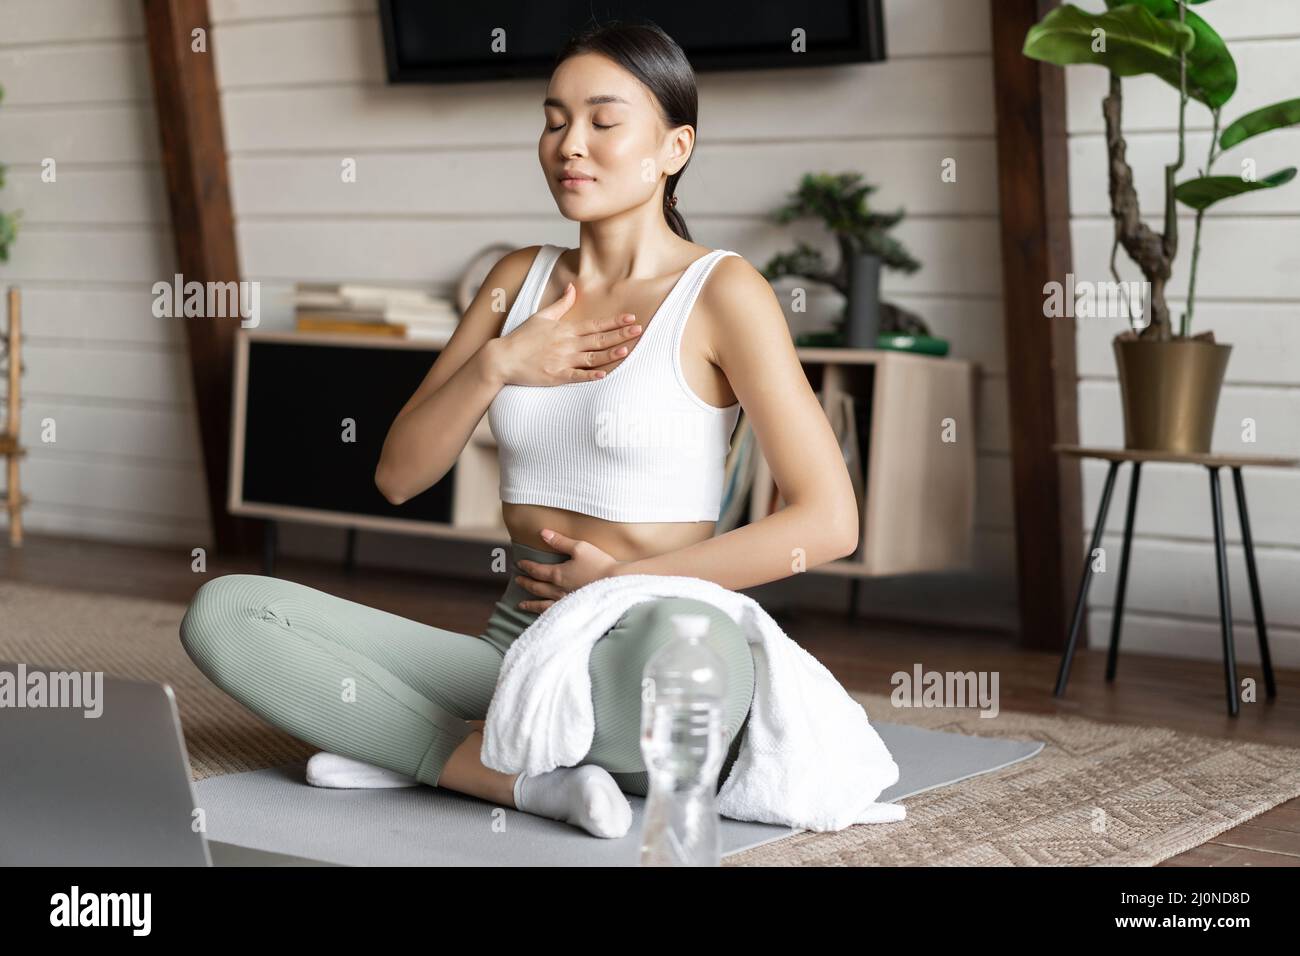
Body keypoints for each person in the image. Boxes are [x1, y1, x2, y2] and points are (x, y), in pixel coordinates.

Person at [179, 19, 861, 839]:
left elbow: (828, 521)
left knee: (695, 665)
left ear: (674, 147)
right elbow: (398, 475)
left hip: (652, 642)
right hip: (519, 648)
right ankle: (513, 777)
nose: (570, 144)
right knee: (225, 615)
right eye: (553, 119)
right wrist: (500, 363)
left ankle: (421, 750)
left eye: (604, 122)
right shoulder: (517, 281)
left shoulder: (723, 291)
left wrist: (622, 583)